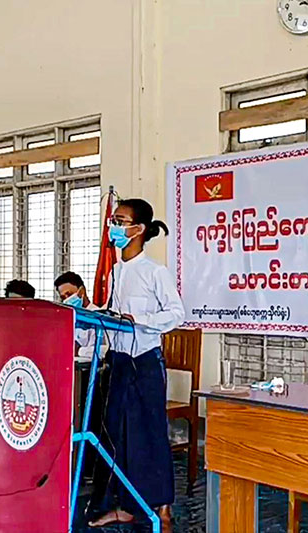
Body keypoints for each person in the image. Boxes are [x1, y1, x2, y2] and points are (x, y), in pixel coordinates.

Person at [88, 198, 184, 532]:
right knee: (118, 435)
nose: (113, 227)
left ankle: (163, 508)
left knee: (151, 435)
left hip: (144, 362)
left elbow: (176, 314)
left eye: (120, 221)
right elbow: (113, 313)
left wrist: (139, 319)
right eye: (113, 220)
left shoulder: (155, 271)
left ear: (139, 229)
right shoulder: (116, 271)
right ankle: (127, 507)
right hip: (118, 361)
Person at [54, 271, 102, 358]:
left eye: (69, 294)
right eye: (63, 297)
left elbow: (104, 351)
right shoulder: (66, 319)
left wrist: (79, 351)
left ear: (82, 291)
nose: (67, 300)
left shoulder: (99, 316)